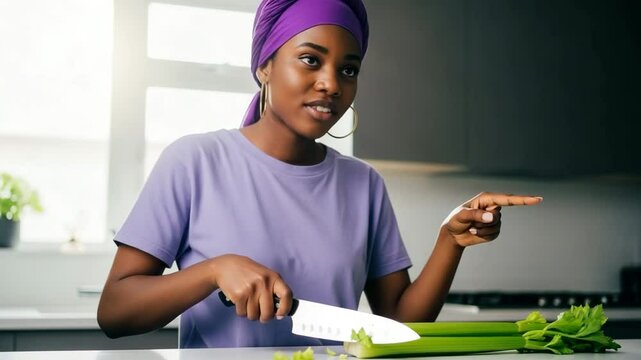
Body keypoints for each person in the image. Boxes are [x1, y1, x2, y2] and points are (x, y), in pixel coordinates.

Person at [97, 0, 543, 348]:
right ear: (265, 66)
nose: (332, 83)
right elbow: (114, 314)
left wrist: (450, 240)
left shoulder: (363, 184)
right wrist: (213, 271)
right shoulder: (194, 161)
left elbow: (400, 327)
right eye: (311, 59)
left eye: (348, 69)